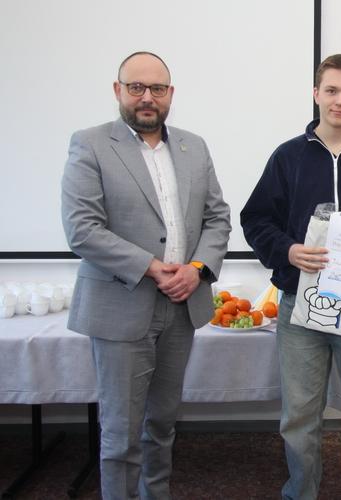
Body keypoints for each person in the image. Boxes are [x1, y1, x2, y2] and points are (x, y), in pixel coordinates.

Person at [61, 51, 231, 499]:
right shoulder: (90, 144)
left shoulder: (194, 147)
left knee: (162, 424)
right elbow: (82, 229)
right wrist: (152, 267)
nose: (147, 97)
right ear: (118, 90)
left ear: (170, 93)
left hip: (181, 307)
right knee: (121, 433)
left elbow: (217, 219)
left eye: (157, 88)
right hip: (121, 306)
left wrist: (197, 270)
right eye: (136, 87)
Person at [240, 54, 341, 499]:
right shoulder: (288, 156)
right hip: (301, 305)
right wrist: (289, 251)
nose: (339, 101)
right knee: (300, 416)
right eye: (331, 90)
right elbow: (255, 219)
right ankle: (301, 492)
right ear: (316, 94)